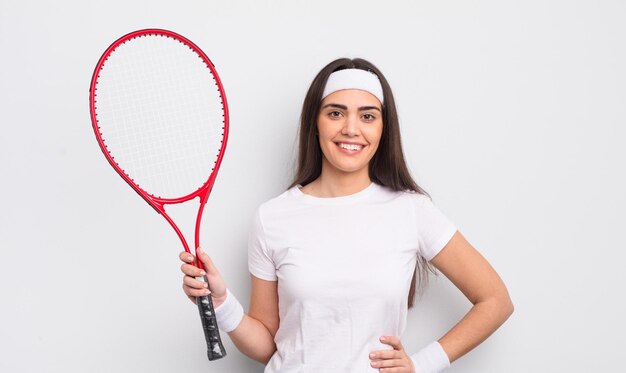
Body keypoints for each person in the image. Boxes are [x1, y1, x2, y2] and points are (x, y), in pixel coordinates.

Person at [180, 58, 514, 372]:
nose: (351, 129)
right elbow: (270, 345)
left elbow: (495, 301)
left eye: (367, 116)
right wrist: (222, 303)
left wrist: (423, 363)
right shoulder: (272, 217)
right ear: (315, 122)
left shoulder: (411, 211)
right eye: (336, 113)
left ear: (384, 129)